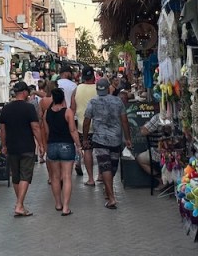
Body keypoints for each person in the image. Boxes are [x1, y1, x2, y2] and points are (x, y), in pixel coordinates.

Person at [83, 77, 132, 210]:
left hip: (100, 139)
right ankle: (111, 197)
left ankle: (109, 191)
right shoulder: (118, 101)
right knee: (110, 167)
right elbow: (124, 120)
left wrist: (85, 138)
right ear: (108, 88)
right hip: (115, 139)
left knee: (107, 167)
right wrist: (127, 138)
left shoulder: (93, 102)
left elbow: (86, 121)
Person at [0, 80, 44, 217]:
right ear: (24, 93)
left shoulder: (6, 108)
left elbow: (2, 130)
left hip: (12, 146)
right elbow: (35, 127)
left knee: (16, 176)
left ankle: (20, 204)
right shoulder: (29, 108)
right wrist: (41, 144)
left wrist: (4, 145)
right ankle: (19, 205)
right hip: (27, 146)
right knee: (26, 176)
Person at [41, 88, 80, 215]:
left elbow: (46, 132)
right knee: (67, 176)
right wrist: (78, 145)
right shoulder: (68, 112)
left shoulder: (46, 113)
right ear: (63, 98)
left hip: (52, 145)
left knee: (55, 177)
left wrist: (45, 146)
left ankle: (58, 203)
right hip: (66, 145)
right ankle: (66, 207)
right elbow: (73, 130)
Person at [72, 67, 98, 183]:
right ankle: (101, 175)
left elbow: (73, 109)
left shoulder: (76, 89)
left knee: (87, 151)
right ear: (93, 76)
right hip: (99, 126)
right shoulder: (99, 89)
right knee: (101, 151)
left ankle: (91, 179)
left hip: (82, 127)